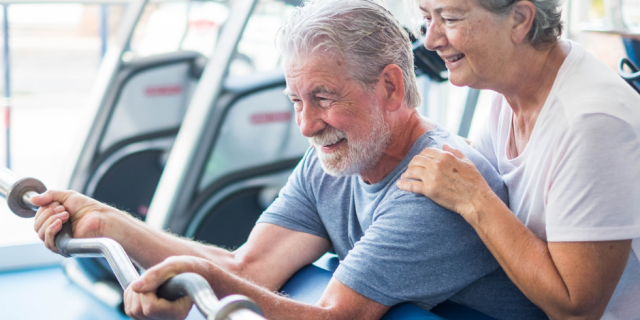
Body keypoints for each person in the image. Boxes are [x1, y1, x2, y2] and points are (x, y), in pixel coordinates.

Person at [32, 1, 545, 319]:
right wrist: (110, 224)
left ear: (389, 86)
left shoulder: (432, 188)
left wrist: (186, 274)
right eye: (296, 101)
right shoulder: (332, 162)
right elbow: (250, 268)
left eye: (323, 98)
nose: (306, 125)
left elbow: (331, 318)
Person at [397, 0, 640, 319]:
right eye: (428, 19)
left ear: (520, 19)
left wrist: (474, 199)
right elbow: (481, 178)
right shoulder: (511, 89)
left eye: (451, 18)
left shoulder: (590, 123)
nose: (430, 40)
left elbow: (576, 309)